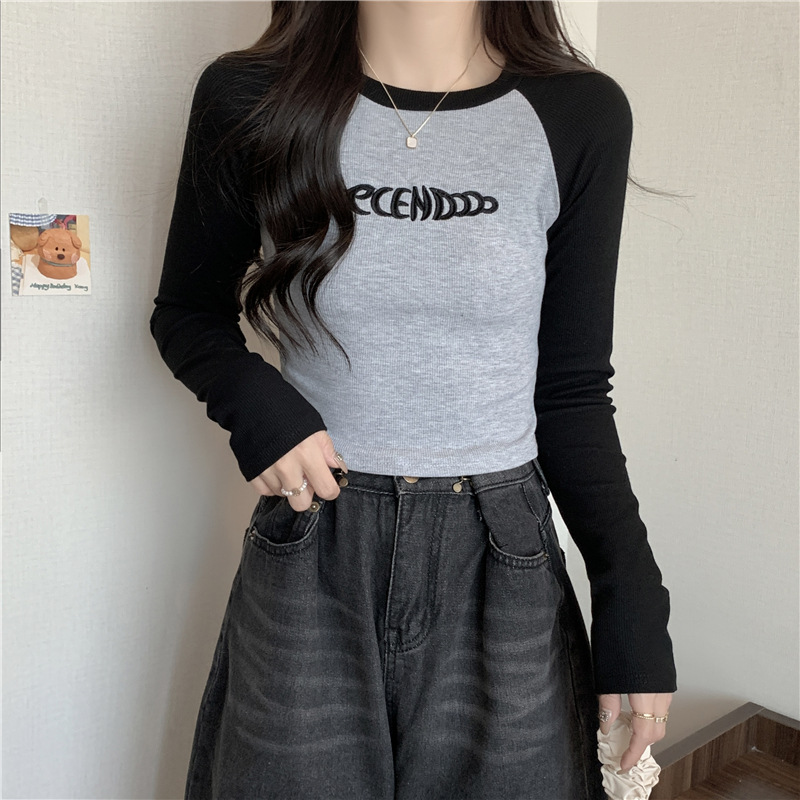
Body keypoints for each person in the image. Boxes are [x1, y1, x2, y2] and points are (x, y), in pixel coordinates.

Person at [150, 1, 677, 797]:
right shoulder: (251, 96)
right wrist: (258, 405)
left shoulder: (579, 113)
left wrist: (631, 596)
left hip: (501, 555)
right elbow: (187, 312)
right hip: (316, 537)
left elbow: (571, 390)